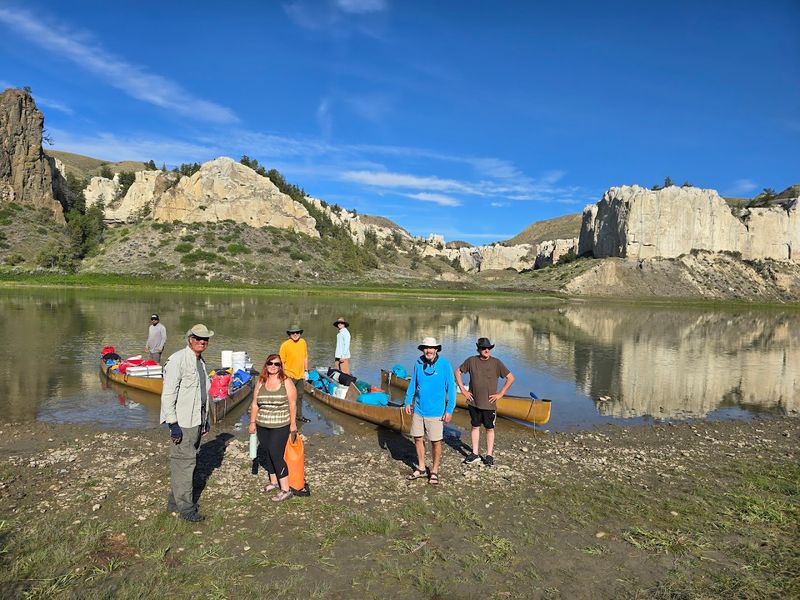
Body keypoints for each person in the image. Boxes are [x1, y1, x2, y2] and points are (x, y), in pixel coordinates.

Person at [159, 324, 213, 522]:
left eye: (205, 339)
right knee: (185, 463)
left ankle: (174, 503)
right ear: (190, 338)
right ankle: (186, 510)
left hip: (196, 419)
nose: (202, 342)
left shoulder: (200, 361)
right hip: (183, 422)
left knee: (187, 462)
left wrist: (205, 421)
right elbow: (168, 394)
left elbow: (202, 394)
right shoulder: (177, 360)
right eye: (198, 338)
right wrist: (173, 424)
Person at [403, 336, 456, 485]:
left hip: (437, 412)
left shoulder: (445, 365)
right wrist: (408, 401)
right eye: (426, 348)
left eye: (431, 348)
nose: (428, 350)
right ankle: (421, 467)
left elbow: (451, 388)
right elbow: (413, 383)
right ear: (423, 350)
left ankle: (434, 471)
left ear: (436, 349)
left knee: (435, 441)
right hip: (419, 409)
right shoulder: (418, 363)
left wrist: (449, 409)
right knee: (418, 438)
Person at [455, 337, 515, 467]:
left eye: (488, 348)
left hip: (489, 404)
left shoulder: (496, 363)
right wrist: (463, 390)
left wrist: (501, 393)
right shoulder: (471, 361)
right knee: (475, 427)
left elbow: (510, 378)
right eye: (483, 348)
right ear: (479, 349)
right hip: (473, 402)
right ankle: (475, 454)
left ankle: (489, 455)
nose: (486, 350)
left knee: (489, 429)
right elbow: (457, 372)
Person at [248, 353, 297, 502]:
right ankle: (274, 482)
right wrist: (252, 422)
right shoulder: (261, 381)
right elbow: (255, 403)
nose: (273, 366)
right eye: (270, 363)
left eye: (277, 364)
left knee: (276, 454)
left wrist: (293, 425)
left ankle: (285, 489)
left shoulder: (286, 381)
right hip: (263, 424)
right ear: (266, 365)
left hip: (281, 424)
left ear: (281, 366)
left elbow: (293, 404)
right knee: (268, 453)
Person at [279, 324, 311, 423]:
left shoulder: (303, 342)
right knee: (288, 397)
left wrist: (306, 371)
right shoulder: (285, 345)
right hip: (289, 376)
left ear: (300, 333)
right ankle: (286, 417)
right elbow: (281, 362)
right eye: (293, 333)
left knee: (300, 396)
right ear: (289, 334)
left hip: (300, 375)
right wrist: (284, 376)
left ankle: (299, 416)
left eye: (297, 332)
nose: (295, 334)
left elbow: (305, 357)